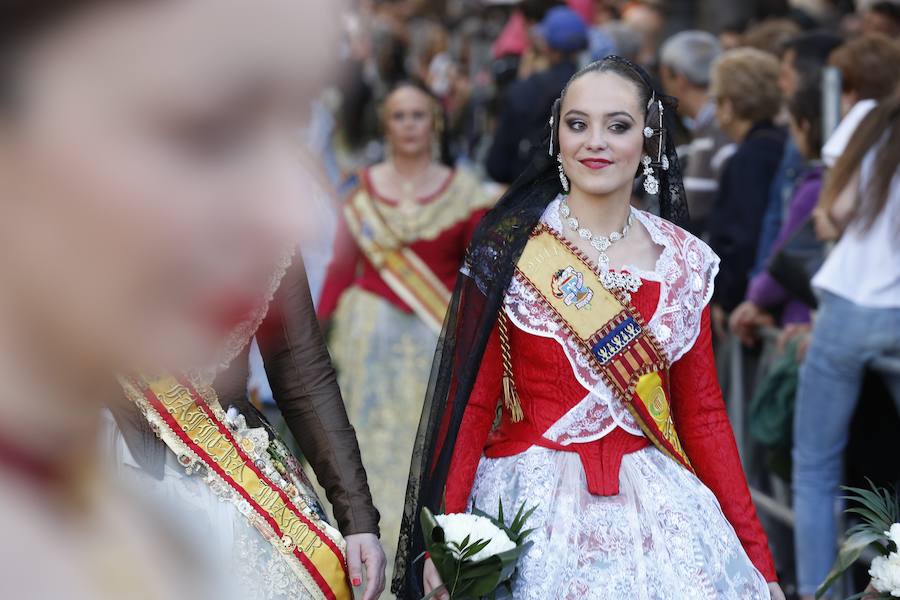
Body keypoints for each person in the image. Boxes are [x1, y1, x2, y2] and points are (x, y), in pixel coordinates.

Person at [0, 1, 366, 598]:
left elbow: (301, 372)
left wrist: (358, 520)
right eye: (208, 131)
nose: (294, 211)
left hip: (238, 498)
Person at [393, 55, 786, 600]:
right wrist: (444, 538)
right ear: (557, 137)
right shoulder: (511, 250)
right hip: (529, 512)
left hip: (659, 515)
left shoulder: (683, 263)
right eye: (577, 124)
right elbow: (473, 404)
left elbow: (704, 417)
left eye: (617, 125)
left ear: (648, 142)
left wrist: (760, 562)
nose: (594, 141)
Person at [318, 80, 492, 578]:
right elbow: (339, 266)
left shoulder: (465, 191)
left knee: (431, 446)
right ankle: (350, 551)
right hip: (367, 339)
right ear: (385, 123)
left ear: (434, 121)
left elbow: (476, 275)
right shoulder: (360, 189)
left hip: (434, 341)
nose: (410, 125)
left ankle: (426, 557)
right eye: (400, 115)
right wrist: (316, 332)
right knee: (362, 444)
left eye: (419, 114)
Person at [793, 87, 900, 600]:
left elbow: (835, 210)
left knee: (815, 471)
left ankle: (820, 592)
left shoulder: (870, 119)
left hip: (849, 304)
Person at [729, 78, 827, 345]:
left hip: (801, 321)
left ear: (804, 125)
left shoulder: (813, 189)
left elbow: (788, 255)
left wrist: (755, 299)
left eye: (792, 127)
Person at [707, 48, 786, 323]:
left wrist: (726, 300)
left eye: (716, 101)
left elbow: (744, 236)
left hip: (746, 309)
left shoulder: (749, 158)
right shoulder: (781, 144)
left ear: (728, 106)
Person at [485, 6, 589, 185]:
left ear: (545, 44)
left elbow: (497, 167)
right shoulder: (595, 90)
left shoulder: (522, 90)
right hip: (582, 197)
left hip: (528, 200)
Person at [659, 30, 732, 237]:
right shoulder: (716, 122)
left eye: (664, 77)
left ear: (679, 80)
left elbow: (691, 212)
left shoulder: (713, 129)